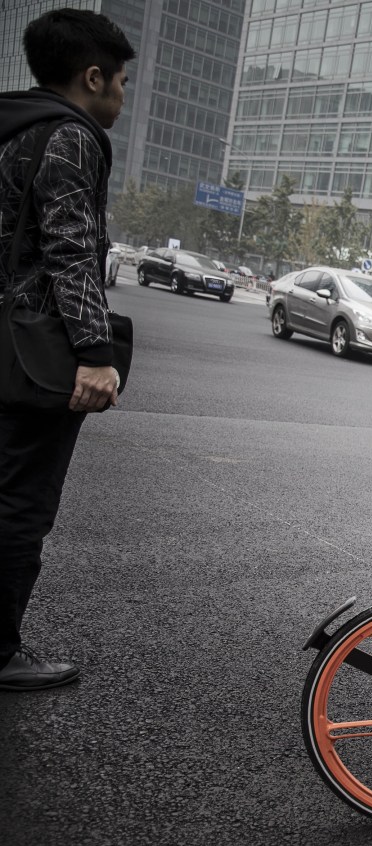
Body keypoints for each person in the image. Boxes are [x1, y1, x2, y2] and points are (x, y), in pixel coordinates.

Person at [0, 10, 134, 691]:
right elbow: (70, 248)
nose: (121, 94)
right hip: (27, 355)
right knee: (21, 501)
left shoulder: (10, 124)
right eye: (120, 81)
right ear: (92, 77)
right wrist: (94, 351)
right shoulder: (70, 135)